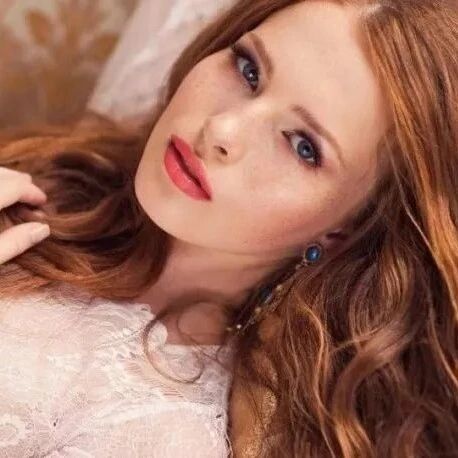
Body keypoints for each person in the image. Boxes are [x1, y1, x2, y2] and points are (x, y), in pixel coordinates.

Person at [0, 0, 457, 456]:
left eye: (302, 146)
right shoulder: (40, 187)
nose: (222, 130)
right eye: (248, 70)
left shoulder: (251, 432)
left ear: (346, 231)